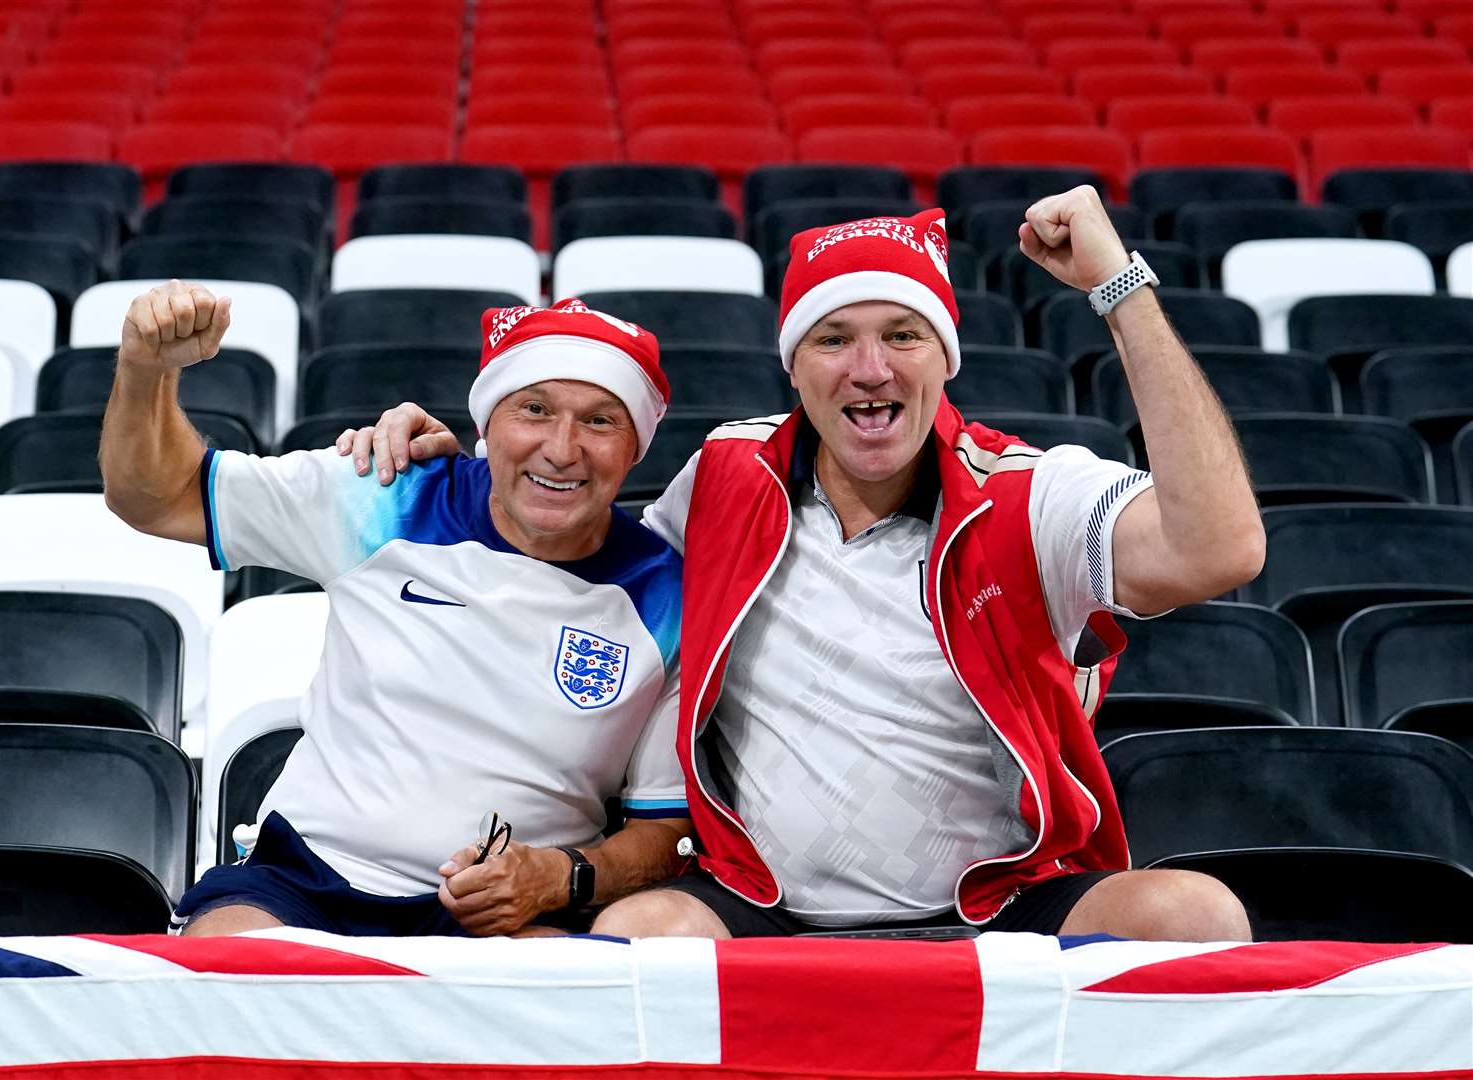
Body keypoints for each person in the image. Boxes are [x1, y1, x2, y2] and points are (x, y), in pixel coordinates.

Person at [341, 188, 1265, 941]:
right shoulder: (724, 476)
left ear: (944, 359)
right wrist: (449, 477)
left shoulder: (1029, 496)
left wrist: (1120, 286)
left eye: (901, 335)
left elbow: (1221, 548)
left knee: (1194, 916)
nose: (868, 368)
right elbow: (572, 550)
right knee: (638, 936)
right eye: (833, 339)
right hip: (761, 910)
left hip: (999, 910)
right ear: (795, 367)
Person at [101, 284, 692, 938]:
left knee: (577, 995)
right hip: (306, 880)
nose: (561, 447)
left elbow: (663, 831)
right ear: (486, 424)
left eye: (601, 421)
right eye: (533, 409)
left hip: (506, 913)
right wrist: (146, 370)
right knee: (229, 964)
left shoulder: (665, 593)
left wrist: (557, 874)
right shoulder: (384, 493)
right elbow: (155, 499)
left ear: (637, 447)